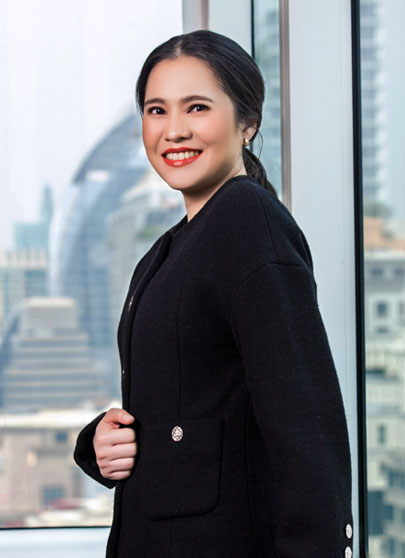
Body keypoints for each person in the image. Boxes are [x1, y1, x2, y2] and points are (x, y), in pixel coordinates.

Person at [73, 29, 354, 558]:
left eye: (197, 107)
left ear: (248, 123)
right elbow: (197, 412)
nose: (174, 130)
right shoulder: (167, 251)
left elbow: (306, 426)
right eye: (156, 110)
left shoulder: (247, 221)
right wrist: (101, 443)